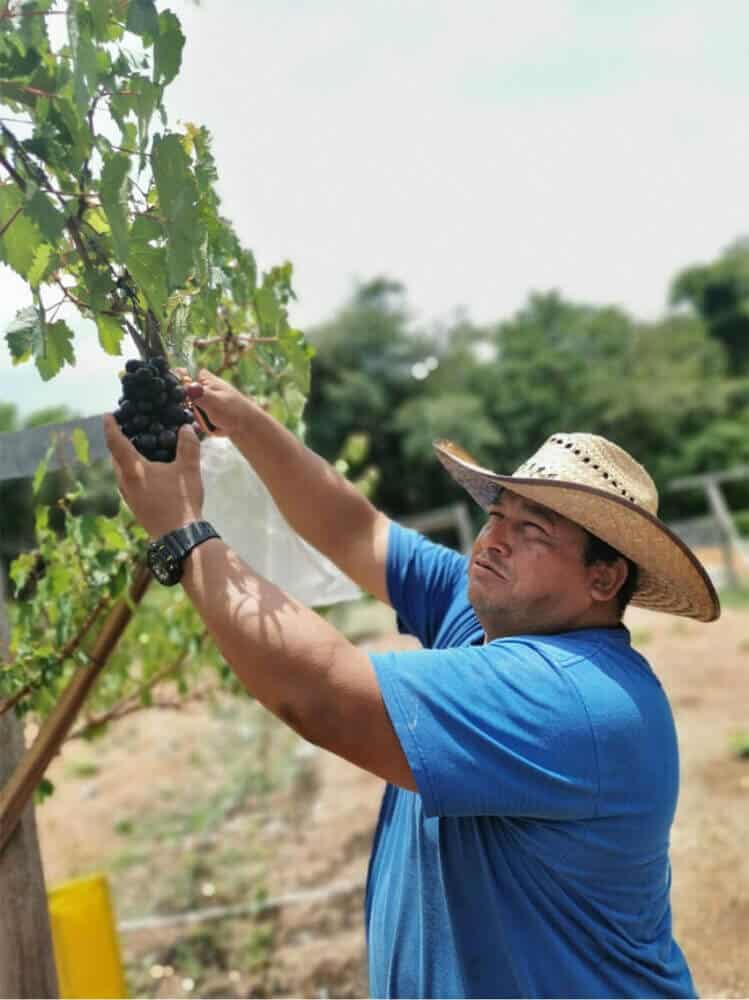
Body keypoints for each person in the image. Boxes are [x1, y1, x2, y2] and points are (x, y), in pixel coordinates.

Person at [103, 370, 719, 999]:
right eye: (498, 514)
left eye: (531, 530)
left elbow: (323, 696)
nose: (494, 539)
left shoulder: (571, 696)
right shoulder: (486, 618)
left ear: (604, 579)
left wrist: (183, 533)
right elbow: (356, 530)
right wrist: (243, 420)